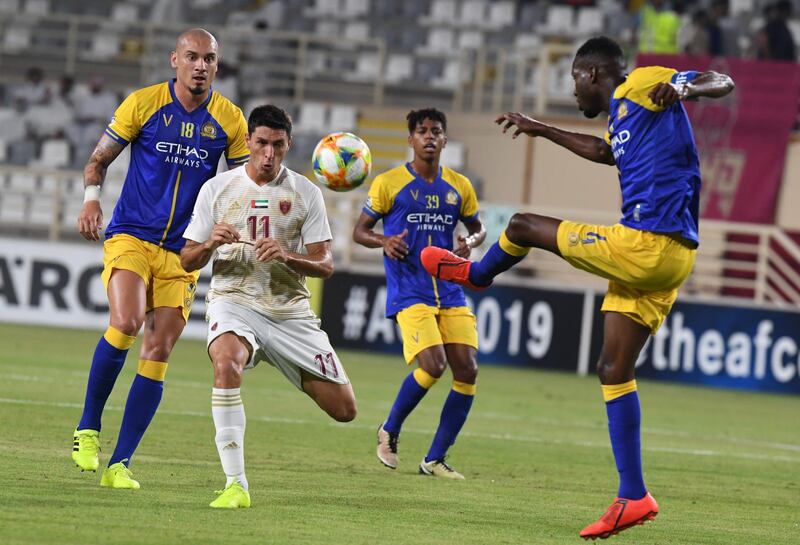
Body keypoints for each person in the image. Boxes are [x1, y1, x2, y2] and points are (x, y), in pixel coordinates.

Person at [420, 37, 734, 538]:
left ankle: (476, 276)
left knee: (522, 225)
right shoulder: (622, 117)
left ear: (591, 74)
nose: (573, 91)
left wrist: (691, 90)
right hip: (671, 260)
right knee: (614, 369)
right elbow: (606, 151)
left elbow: (718, 81)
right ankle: (633, 496)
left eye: (572, 79)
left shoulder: (643, 84)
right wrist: (540, 129)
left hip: (645, 245)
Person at [71, 28, 250, 490]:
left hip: (182, 252)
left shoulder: (230, 120)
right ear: (175, 59)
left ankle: (120, 464)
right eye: (192, 56)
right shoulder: (144, 103)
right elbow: (99, 160)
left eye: (209, 59)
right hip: (131, 234)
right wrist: (92, 200)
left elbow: (245, 186)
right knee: (127, 322)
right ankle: (88, 428)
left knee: (158, 353)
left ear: (217, 64)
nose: (201, 66)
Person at [181, 104, 357, 508]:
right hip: (234, 302)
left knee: (345, 411)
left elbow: (325, 264)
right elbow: (186, 260)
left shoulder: (305, 193)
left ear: (288, 145)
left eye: (277, 145)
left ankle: (284, 360)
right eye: (261, 143)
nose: (268, 154)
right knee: (225, 363)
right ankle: (235, 485)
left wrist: (287, 256)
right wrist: (209, 244)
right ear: (248, 141)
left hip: (288, 312)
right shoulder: (217, 189)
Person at [353, 108, 486, 480]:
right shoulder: (389, 183)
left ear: (445, 140)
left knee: (468, 371)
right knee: (433, 364)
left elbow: (479, 228)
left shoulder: (459, 186)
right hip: (410, 291)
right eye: (422, 131)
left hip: (451, 291)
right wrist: (383, 240)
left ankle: (435, 459)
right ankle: (389, 429)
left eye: (436, 131)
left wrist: (469, 242)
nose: (429, 137)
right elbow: (359, 231)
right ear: (410, 139)